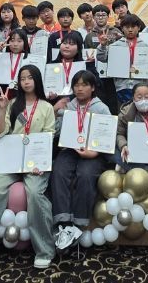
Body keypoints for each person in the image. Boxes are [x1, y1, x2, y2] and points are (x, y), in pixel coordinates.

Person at [0, 65, 55, 272]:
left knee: (35, 193)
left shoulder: (46, 107)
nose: (26, 82)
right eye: (22, 78)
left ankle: (44, 250)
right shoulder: (12, 104)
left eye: (30, 78)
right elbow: (0, 133)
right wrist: (2, 109)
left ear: (37, 80)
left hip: (35, 164)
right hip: (11, 160)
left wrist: (40, 164)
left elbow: (48, 138)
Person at [51, 70, 112, 250]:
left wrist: (94, 153)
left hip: (93, 152)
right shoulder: (69, 107)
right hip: (70, 149)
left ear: (92, 88)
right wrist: (55, 113)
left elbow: (108, 137)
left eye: (84, 85)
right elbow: (56, 132)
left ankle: (78, 223)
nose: (79, 89)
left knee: (86, 174)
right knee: (59, 171)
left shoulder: (101, 108)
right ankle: (63, 222)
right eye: (76, 85)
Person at [96, 14, 148, 104]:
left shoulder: (145, 46)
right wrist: (102, 46)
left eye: (133, 27)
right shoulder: (115, 46)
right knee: (123, 110)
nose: (130, 29)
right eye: (127, 27)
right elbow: (101, 58)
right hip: (121, 87)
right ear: (122, 28)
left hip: (140, 87)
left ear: (139, 28)